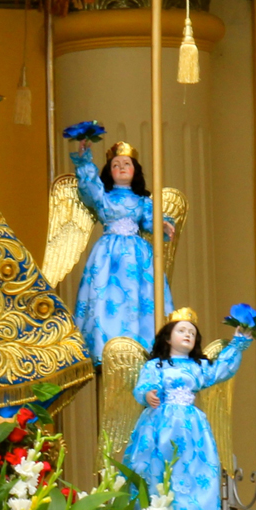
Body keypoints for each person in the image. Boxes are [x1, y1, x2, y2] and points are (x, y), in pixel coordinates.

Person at [122, 309, 253, 510]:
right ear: (167, 337)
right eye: (181, 330)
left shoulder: (199, 366)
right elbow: (144, 385)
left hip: (191, 427)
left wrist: (238, 343)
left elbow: (220, 370)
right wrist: (148, 394)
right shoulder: (156, 365)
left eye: (192, 333)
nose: (187, 335)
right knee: (158, 470)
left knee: (194, 471)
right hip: (159, 424)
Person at [70, 137, 174, 361]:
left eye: (127, 164)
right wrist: (85, 159)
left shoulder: (142, 201)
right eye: (116, 165)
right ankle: (105, 344)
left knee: (140, 297)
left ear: (135, 170)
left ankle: (141, 342)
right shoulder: (104, 197)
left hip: (137, 257)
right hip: (109, 255)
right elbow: (89, 188)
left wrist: (161, 223)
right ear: (110, 171)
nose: (121, 168)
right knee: (106, 297)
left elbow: (149, 221)